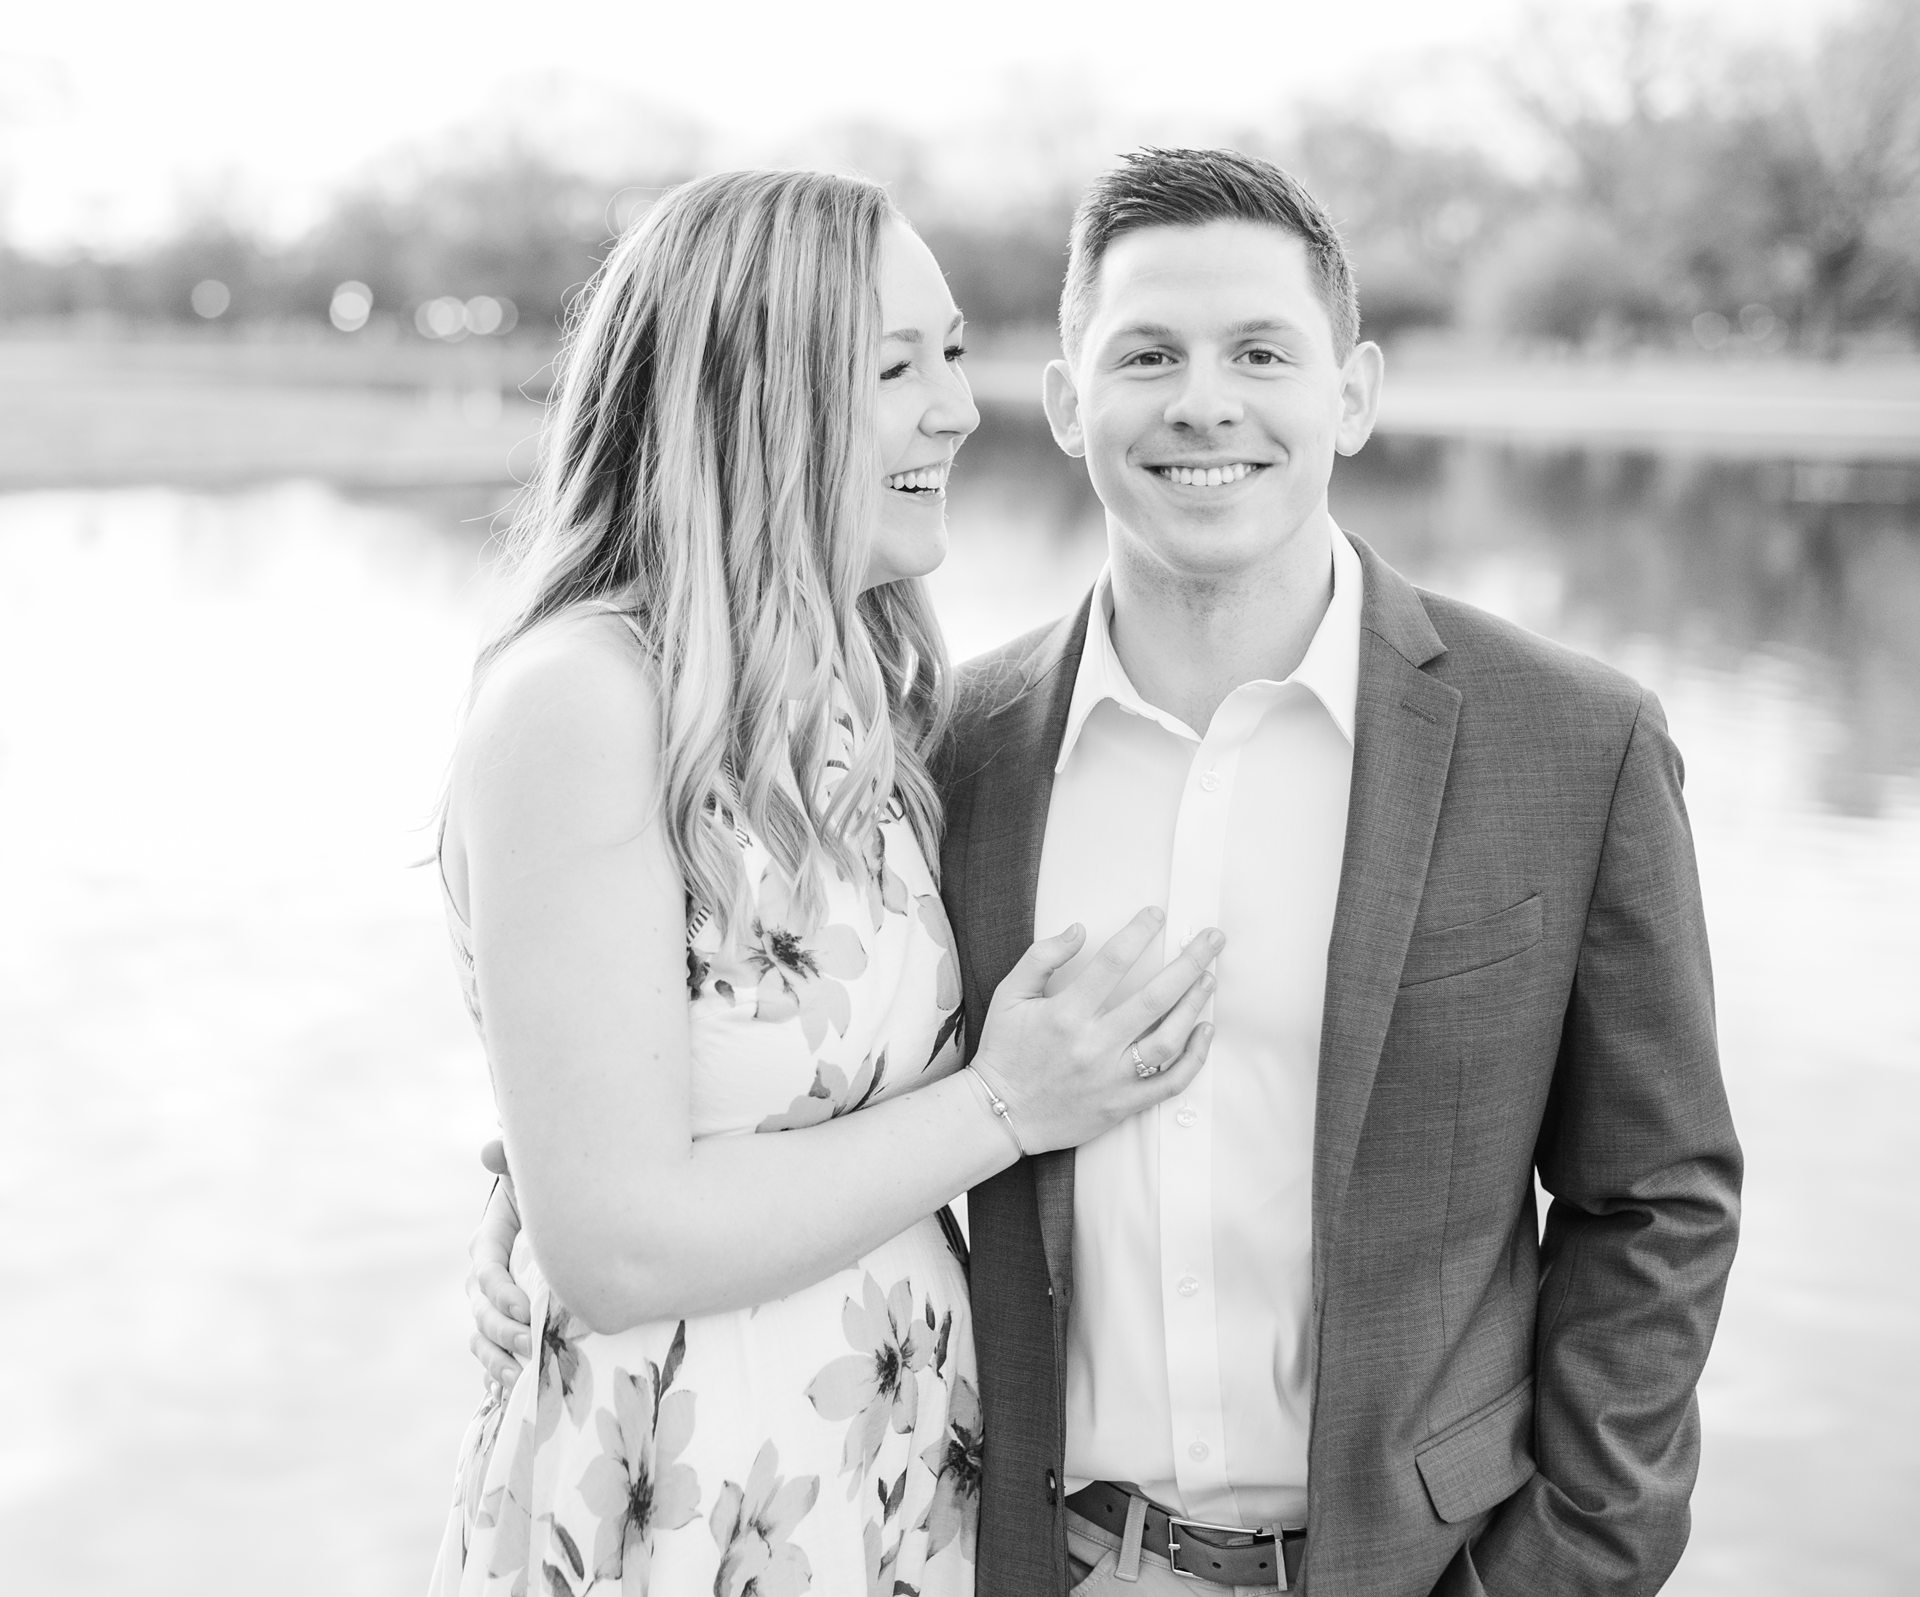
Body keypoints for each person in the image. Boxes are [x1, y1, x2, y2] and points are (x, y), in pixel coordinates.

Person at [470, 149, 1742, 1597]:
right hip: (1002, 1549)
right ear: (1071, 405)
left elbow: (1659, 1200)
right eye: (1148, 354)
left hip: (1423, 1566)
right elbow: (714, 1042)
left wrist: (1570, 1567)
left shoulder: (1575, 744)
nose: (1206, 401)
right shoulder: (943, 752)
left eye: (1261, 350)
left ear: (1357, 391)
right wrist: (534, 1181)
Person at [429, 168, 1226, 1597]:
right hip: (684, 1507)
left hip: (880, 1489)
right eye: (895, 367)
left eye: (956, 353)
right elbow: (613, 1239)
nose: (957, 408)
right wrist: (1005, 1101)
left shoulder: (865, 695)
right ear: (753, 397)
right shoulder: (583, 700)